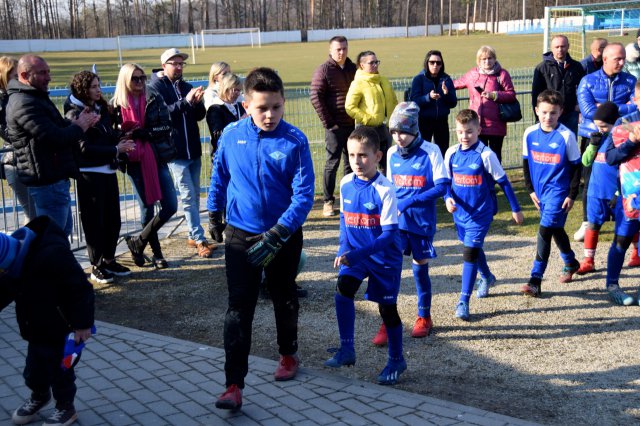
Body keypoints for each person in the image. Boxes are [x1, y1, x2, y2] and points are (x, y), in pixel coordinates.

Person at [208, 67, 314, 412]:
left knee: (284, 297)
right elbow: (219, 177)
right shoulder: (230, 135)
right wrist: (213, 214)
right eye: (261, 108)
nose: (269, 115)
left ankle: (288, 352)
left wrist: (281, 231)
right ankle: (233, 385)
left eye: (276, 107)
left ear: (284, 103)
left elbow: (304, 196)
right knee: (239, 307)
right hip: (241, 233)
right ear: (246, 105)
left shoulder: (295, 140)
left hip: (282, 235)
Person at [324, 125, 406, 386]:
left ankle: (396, 360)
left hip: (383, 259)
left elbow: (388, 237)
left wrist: (357, 254)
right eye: (351, 155)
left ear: (377, 157)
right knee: (343, 291)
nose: (356, 162)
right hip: (356, 256)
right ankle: (347, 349)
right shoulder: (346, 183)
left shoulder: (385, 190)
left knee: (387, 311)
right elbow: (345, 223)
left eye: (363, 155)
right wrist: (343, 250)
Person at [0, 216, 95, 426]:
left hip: (62, 328)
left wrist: (83, 324)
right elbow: (4, 289)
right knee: (34, 371)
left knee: (60, 372)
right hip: (35, 328)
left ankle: (65, 407)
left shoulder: (52, 255)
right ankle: (39, 396)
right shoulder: (14, 267)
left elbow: (81, 289)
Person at [6, 55, 99, 237]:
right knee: (52, 239)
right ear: (25, 75)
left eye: (48, 72)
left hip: (54, 178)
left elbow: (56, 127)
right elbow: (54, 137)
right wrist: (80, 126)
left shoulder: (35, 96)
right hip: (47, 181)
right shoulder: (24, 102)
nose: (49, 77)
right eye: (42, 73)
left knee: (62, 234)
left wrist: (78, 121)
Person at [444, 109, 523, 320]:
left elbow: (504, 182)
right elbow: (445, 183)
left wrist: (516, 209)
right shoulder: (451, 153)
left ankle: (463, 301)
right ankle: (487, 276)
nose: (464, 136)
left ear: (479, 130)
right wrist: (447, 199)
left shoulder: (486, 155)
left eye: (469, 131)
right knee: (472, 248)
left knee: (469, 252)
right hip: (460, 213)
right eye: (460, 132)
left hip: (481, 214)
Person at [384, 101, 449, 339]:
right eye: (394, 131)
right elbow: (390, 187)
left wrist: (409, 202)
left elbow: (442, 187)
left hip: (421, 222)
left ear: (414, 129)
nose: (398, 137)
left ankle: (424, 316)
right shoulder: (391, 153)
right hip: (397, 222)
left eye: (403, 131)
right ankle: (388, 320)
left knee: (419, 268)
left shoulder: (431, 151)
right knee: (390, 269)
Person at [64, 71, 136, 284]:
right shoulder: (74, 113)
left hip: (108, 172)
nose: (99, 90)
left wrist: (124, 136)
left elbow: (107, 134)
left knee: (113, 220)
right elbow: (84, 148)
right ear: (83, 89)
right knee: (94, 222)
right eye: (94, 86)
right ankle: (96, 266)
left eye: (99, 85)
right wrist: (116, 149)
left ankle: (109, 259)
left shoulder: (101, 108)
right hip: (90, 176)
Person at [112, 63, 178, 269]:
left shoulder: (153, 97)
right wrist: (125, 135)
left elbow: (166, 125)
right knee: (147, 208)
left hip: (156, 156)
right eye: (135, 78)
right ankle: (157, 253)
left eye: (142, 78)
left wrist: (145, 133)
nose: (140, 82)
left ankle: (138, 242)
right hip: (132, 160)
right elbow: (113, 134)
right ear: (125, 80)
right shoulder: (115, 105)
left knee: (170, 206)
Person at [150, 48, 213, 258]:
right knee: (187, 197)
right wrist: (185, 102)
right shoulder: (155, 87)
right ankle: (199, 238)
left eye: (181, 64)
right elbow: (163, 114)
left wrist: (197, 102)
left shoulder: (186, 86)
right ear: (164, 65)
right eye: (174, 63)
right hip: (175, 152)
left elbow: (198, 116)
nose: (178, 67)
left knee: (195, 195)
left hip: (193, 149)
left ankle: (193, 234)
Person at [521, 90, 582, 297]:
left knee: (545, 231)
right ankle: (571, 262)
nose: (548, 117)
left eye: (553, 113)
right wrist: (530, 190)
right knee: (555, 229)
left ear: (561, 112)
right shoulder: (529, 133)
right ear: (537, 110)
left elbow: (576, 167)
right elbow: (525, 163)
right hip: (540, 193)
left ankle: (535, 280)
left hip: (559, 192)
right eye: (545, 112)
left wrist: (572, 194)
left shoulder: (566, 135)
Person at [575, 42, 637, 242]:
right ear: (605, 59)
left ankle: (625, 214)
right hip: (592, 135)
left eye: (623, 58)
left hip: (622, 136)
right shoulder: (587, 81)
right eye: (617, 59)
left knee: (622, 178)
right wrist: (619, 108)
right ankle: (588, 221)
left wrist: (608, 109)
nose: (622, 62)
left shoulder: (630, 81)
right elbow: (589, 112)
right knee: (590, 181)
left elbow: (635, 107)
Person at [575, 102, 627, 275]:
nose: (601, 129)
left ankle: (636, 254)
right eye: (598, 126)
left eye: (604, 126)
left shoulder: (622, 140)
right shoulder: (598, 138)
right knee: (593, 224)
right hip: (596, 191)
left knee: (626, 225)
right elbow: (586, 162)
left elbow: (626, 168)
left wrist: (619, 191)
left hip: (616, 192)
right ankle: (588, 260)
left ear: (615, 123)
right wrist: (592, 145)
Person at [310, 35, 357, 217]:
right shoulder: (324, 70)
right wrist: (329, 122)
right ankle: (328, 202)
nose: (341, 52)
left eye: (344, 48)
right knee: (332, 163)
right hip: (334, 126)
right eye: (338, 49)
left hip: (353, 125)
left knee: (351, 162)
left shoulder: (353, 68)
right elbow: (315, 96)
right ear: (330, 50)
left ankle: (348, 198)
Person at [604, 81, 640, 305]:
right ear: (635, 99)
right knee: (622, 239)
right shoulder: (624, 123)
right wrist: (632, 141)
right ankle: (613, 285)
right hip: (631, 197)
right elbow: (611, 158)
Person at [453, 46, 516, 163]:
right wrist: (441, 84)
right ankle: (479, 180)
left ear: (495, 59)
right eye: (483, 59)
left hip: (496, 125)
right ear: (478, 61)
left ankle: (493, 181)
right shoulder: (472, 74)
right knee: (477, 156)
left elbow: (511, 94)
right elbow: (455, 83)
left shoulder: (502, 74)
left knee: (494, 157)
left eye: (490, 58)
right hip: (476, 124)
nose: (487, 61)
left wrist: (494, 95)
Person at [345, 50, 397, 175]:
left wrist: (394, 119)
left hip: (385, 129)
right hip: (366, 129)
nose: (375, 65)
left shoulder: (383, 80)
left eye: (376, 62)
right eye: (371, 63)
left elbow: (393, 101)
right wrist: (368, 119)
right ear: (362, 65)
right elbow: (350, 107)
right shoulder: (358, 83)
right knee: (367, 165)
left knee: (386, 164)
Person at [0, 56, 36, 223]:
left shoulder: (21, 96)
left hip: (29, 159)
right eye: (15, 77)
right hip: (15, 162)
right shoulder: (3, 101)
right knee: (33, 213)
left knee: (37, 213)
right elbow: (7, 132)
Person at [531, 35, 585, 135]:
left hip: (570, 114)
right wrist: (538, 116)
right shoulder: (542, 68)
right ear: (551, 48)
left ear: (568, 46)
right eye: (557, 47)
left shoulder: (576, 66)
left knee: (569, 143)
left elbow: (583, 90)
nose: (560, 49)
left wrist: (579, 106)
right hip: (550, 114)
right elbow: (536, 94)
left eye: (563, 46)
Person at [409, 50, 457, 156]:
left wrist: (446, 93)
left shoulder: (446, 79)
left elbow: (453, 103)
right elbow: (414, 101)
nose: (435, 65)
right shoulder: (419, 79)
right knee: (423, 152)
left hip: (442, 122)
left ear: (441, 64)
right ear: (427, 63)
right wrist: (428, 97)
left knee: (442, 152)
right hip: (424, 122)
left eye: (438, 63)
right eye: (432, 62)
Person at [205, 73, 245, 161]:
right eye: (235, 90)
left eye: (240, 90)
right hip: (223, 156)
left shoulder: (240, 106)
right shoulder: (215, 109)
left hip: (240, 154)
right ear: (226, 89)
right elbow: (218, 135)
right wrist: (241, 122)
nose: (238, 94)